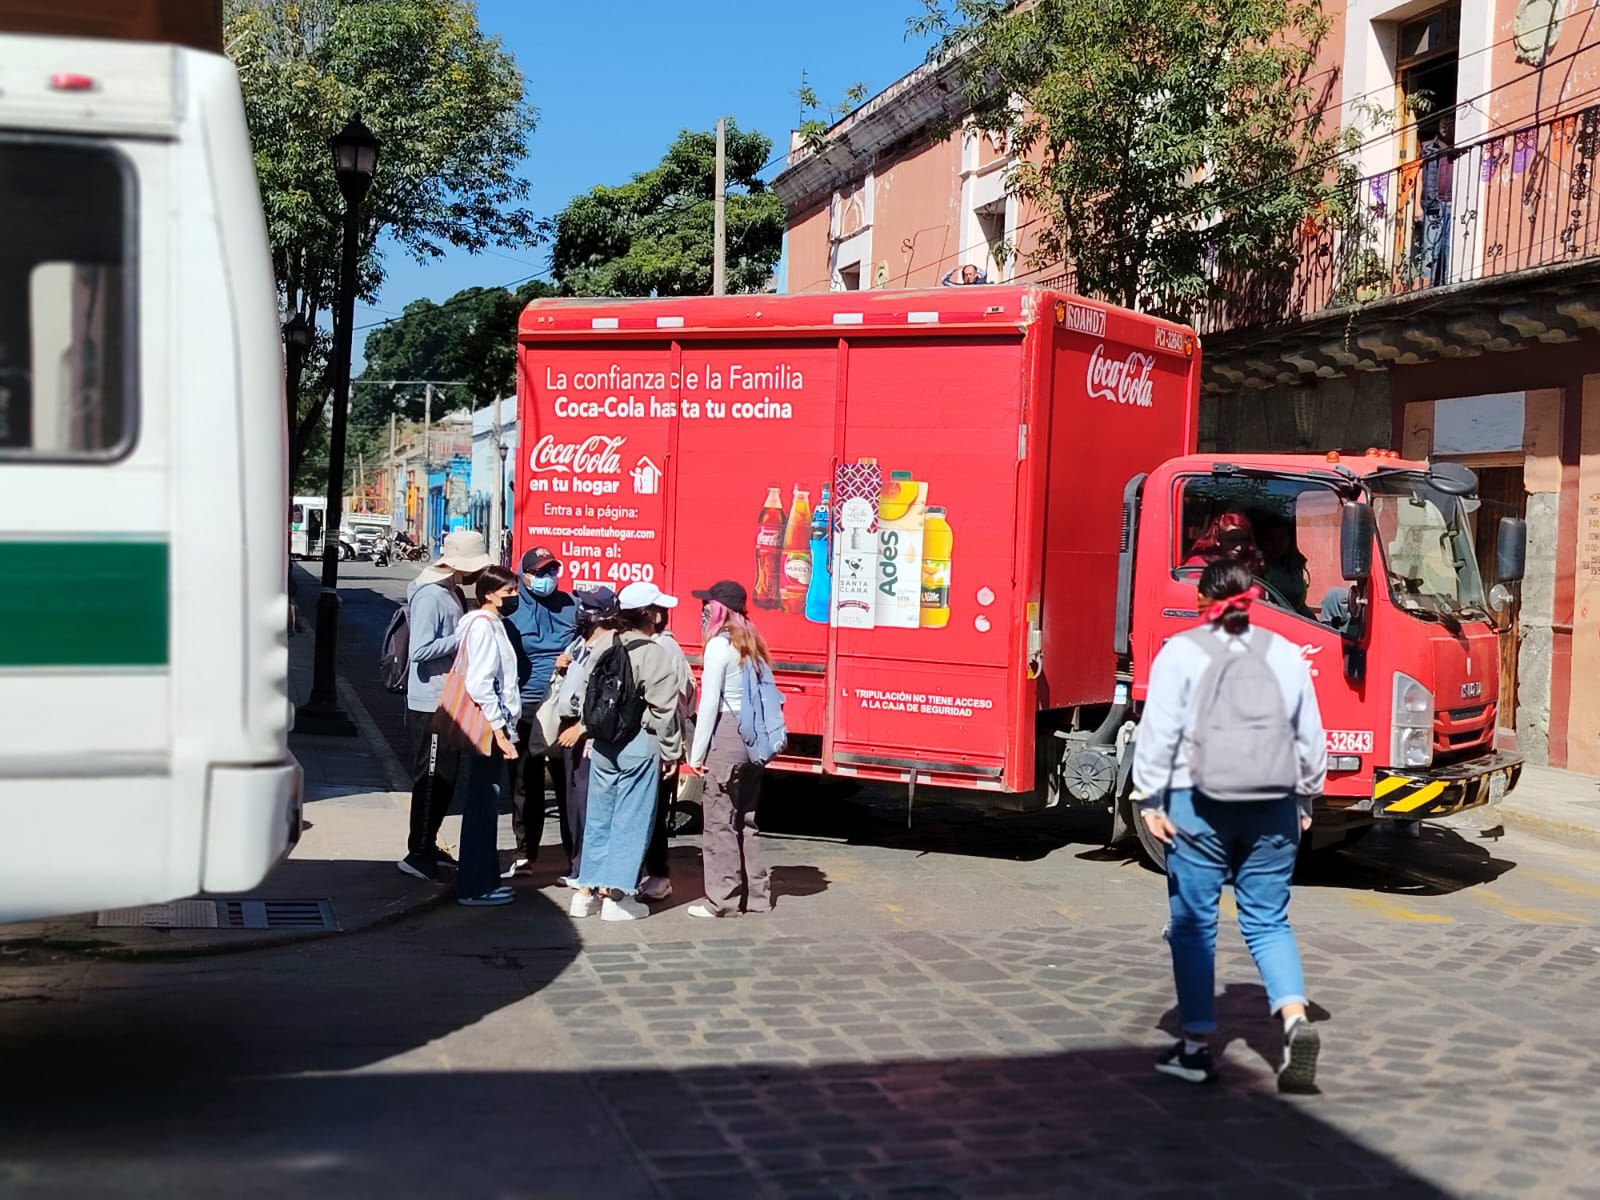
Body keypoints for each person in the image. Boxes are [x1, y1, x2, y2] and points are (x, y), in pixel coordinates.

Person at [1132, 560, 1328, 1093]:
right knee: (1269, 921)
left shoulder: (1180, 653)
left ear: (1202, 601)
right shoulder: (1285, 653)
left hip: (1197, 807)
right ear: (1252, 601)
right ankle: (1295, 1022)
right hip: (1274, 805)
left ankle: (1196, 1049)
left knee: (1194, 926)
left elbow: (1158, 732)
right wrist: (1306, 796)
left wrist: (1150, 799)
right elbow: (1310, 738)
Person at [567, 582, 691, 922]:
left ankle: (584, 893)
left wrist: (589, 731)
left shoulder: (603, 643)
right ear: (650, 615)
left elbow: (583, 695)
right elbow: (664, 710)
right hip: (639, 742)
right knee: (630, 821)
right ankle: (616, 897)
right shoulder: (653, 652)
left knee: (599, 818)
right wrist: (671, 751)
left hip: (603, 743)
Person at [399, 529, 492, 882]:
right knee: (432, 778)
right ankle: (418, 852)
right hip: (431, 702)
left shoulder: (450, 590)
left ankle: (427, 842)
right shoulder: (430, 595)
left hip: (447, 698)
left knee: (445, 779)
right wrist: (462, 637)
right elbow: (420, 650)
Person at [685, 580, 773, 919]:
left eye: (706, 606)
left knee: (719, 821)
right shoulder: (753, 642)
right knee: (746, 820)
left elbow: (709, 705)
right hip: (753, 740)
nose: (703, 612)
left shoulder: (718, 647)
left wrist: (696, 754)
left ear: (719, 609)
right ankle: (758, 896)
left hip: (726, 737)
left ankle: (722, 900)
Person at [503, 546, 578, 876]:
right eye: (539, 572)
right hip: (525, 706)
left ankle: (575, 856)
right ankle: (525, 852)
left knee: (568, 783)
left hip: (562, 707)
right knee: (524, 782)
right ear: (524, 575)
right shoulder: (511, 608)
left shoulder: (571, 606)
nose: (547, 577)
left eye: (551, 571)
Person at [452, 564, 523, 907]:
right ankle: (475, 885)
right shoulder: (483, 626)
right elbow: (480, 682)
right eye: (509, 591)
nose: (515, 596)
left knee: (487, 802)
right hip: (490, 728)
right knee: (483, 803)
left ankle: (485, 880)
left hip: (494, 725)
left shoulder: (490, 623)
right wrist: (500, 730)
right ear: (489, 594)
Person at [552, 586, 619, 884]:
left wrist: (584, 728)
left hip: (588, 734)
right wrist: (560, 669)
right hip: (569, 730)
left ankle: (590, 871)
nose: (580, 611)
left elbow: (608, 698)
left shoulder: (609, 647)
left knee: (589, 804)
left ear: (604, 614)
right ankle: (577, 866)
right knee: (572, 804)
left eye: (588, 607)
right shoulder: (579, 642)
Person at [639, 594, 697, 902]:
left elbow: (671, 704)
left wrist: (670, 749)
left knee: (655, 812)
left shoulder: (663, 648)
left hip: (660, 742)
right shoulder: (658, 646)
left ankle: (658, 875)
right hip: (654, 741)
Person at [1257, 517, 1311, 613]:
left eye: (1281, 539)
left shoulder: (1295, 566)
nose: (1276, 544)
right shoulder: (1258, 567)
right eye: (1270, 539)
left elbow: (1300, 605)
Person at [1182, 511, 1263, 574]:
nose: (1239, 547)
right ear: (1218, 539)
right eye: (1231, 540)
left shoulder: (1252, 564)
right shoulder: (1198, 564)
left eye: (1243, 540)